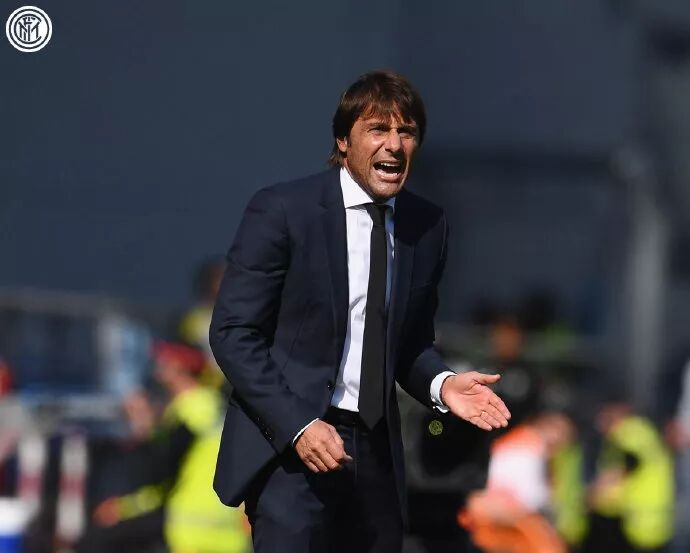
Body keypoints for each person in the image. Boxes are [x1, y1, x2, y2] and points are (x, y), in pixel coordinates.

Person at [210, 70, 511, 553]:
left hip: (375, 454)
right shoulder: (283, 210)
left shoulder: (427, 224)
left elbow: (409, 344)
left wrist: (442, 384)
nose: (394, 144)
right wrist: (298, 426)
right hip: (293, 448)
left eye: (406, 132)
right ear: (343, 140)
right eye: (378, 129)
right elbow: (233, 332)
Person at [76, 342, 250, 553]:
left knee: (95, 542)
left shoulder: (191, 411)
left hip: (192, 534)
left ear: (179, 367)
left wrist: (143, 426)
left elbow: (159, 472)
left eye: (164, 362)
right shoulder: (214, 406)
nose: (157, 367)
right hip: (227, 535)